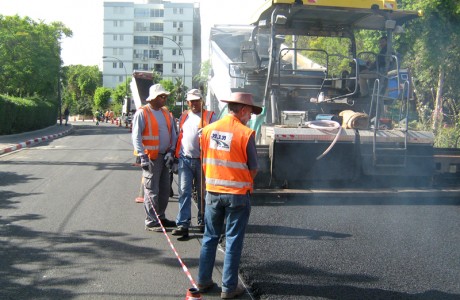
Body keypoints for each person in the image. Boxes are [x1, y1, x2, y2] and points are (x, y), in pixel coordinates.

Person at [197, 92, 261, 299]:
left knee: (209, 237)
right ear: (242, 110)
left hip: (213, 192)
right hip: (237, 195)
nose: (250, 117)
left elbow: (206, 157)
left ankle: (203, 281)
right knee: (233, 240)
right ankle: (229, 287)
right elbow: (254, 168)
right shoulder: (245, 133)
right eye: (250, 112)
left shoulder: (208, 130)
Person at [171, 89, 217, 238]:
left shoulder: (210, 116)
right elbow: (180, 136)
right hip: (185, 158)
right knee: (184, 191)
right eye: (191, 101)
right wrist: (175, 156)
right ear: (188, 102)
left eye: (197, 100)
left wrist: (208, 134)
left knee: (203, 192)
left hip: (203, 160)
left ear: (202, 101)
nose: (194, 103)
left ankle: (203, 221)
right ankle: (183, 223)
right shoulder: (184, 116)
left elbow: (217, 137)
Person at [131, 84, 177, 232]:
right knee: (152, 190)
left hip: (165, 157)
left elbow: (173, 134)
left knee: (164, 189)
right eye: (161, 96)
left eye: (165, 96)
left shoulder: (165, 112)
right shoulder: (142, 113)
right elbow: (136, 136)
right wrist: (142, 156)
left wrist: (171, 151)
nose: (164, 99)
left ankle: (160, 217)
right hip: (151, 158)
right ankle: (151, 221)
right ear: (153, 98)